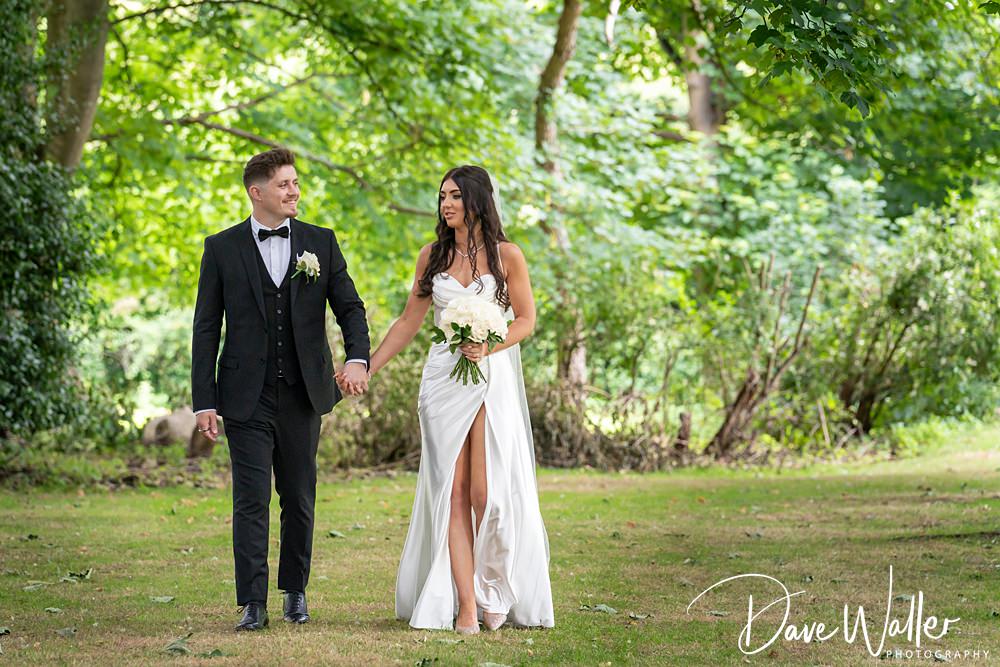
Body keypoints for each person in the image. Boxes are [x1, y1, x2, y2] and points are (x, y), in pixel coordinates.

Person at [347, 165, 554, 633]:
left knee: (488, 494)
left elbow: (525, 320)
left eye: (456, 195)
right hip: (443, 380)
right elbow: (408, 322)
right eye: (442, 195)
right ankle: (464, 605)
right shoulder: (432, 256)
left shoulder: (508, 257)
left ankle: (494, 587)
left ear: (478, 199)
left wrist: (489, 344)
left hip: (489, 376)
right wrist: (366, 367)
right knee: (453, 495)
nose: (446, 204)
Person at [191, 148, 370, 631]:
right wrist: (203, 400)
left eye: (295, 183)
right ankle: (252, 601)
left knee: (299, 493)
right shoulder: (221, 248)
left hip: (302, 392)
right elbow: (206, 327)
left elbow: (350, 308)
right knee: (250, 498)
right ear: (257, 191)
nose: (294, 191)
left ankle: (294, 591)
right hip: (244, 395)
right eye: (285, 184)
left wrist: (357, 357)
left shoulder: (320, 243)